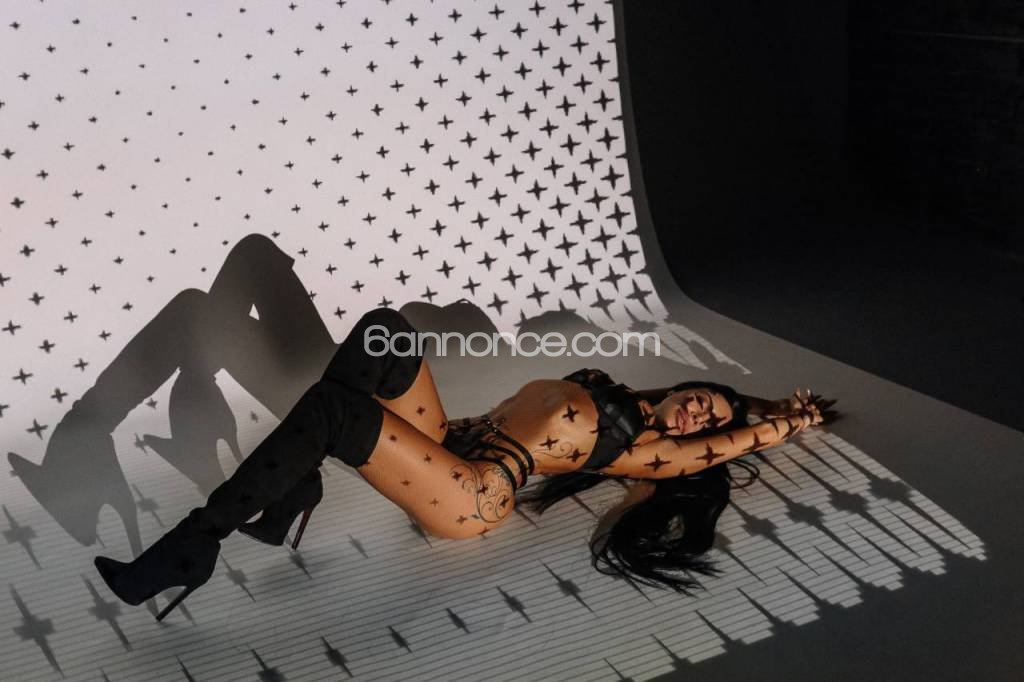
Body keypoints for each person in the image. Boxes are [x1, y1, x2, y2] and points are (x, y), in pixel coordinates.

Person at [93, 301, 836, 621]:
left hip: (474, 491)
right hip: (446, 438)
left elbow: (735, 441)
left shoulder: (652, 454)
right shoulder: (611, 389)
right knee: (386, 331)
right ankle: (291, 492)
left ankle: (196, 542)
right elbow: (713, 401)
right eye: (705, 400)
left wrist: (783, 421)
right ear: (685, 386)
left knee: (331, 412)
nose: (703, 416)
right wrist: (752, 397)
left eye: (711, 426)